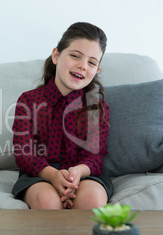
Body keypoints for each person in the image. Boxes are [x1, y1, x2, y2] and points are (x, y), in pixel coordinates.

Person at [12, 22, 112, 210]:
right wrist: (53, 175)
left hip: (82, 174)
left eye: (91, 62)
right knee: (48, 201)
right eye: (75, 56)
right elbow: (23, 151)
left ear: (96, 70)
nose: (82, 66)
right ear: (56, 56)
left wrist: (75, 175)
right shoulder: (29, 100)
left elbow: (95, 156)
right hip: (39, 174)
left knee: (92, 198)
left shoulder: (96, 108)